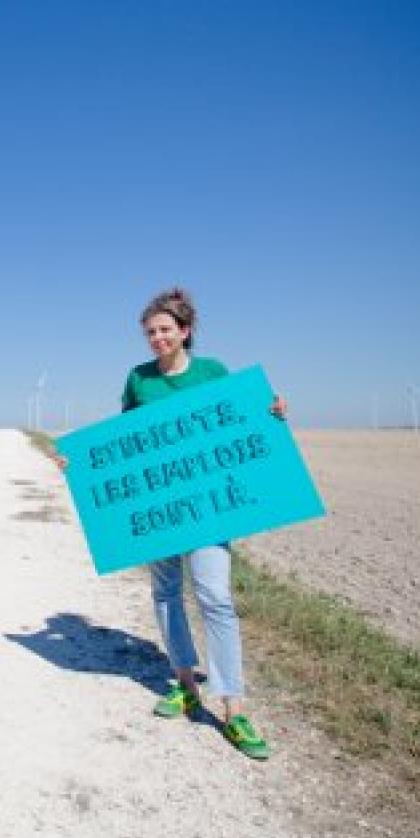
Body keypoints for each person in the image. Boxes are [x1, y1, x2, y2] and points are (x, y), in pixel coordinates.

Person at [122, 286, 285, 760]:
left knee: (215, 595)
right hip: (160, 508)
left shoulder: (213, 372)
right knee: (166, 592)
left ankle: (234, 709)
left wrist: (272, 411)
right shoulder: (139, 379)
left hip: (209, 508)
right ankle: (186, 683)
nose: (156, 339)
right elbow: (125, 439)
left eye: (164, 330)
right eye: (150, 332)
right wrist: (82, 466)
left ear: (185, 332)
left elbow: (241, 419)